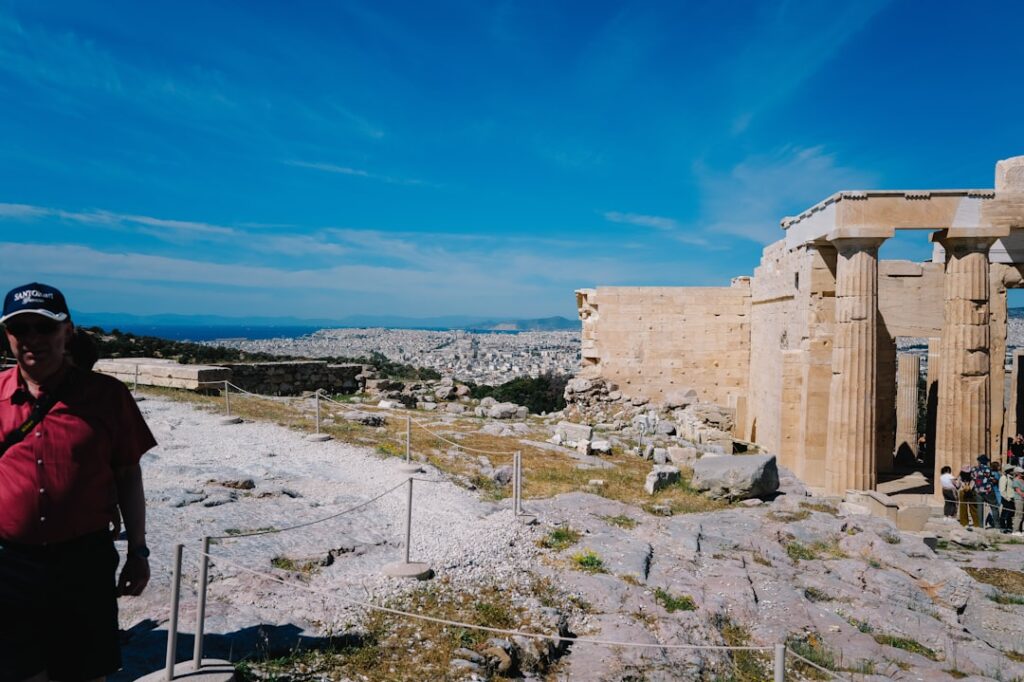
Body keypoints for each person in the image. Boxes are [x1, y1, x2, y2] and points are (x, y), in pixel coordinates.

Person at [0, 283, 156, 682]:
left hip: (84, 560)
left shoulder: (108, 396)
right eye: (20, 328)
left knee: (85, 672)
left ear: (67, 331)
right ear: (7, 335)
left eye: (44, 327)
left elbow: (128, 473)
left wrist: (138, 550)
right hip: (9, 563)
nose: (32, 338)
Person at [973, 455, 999, 529]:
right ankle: (997, 525)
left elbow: (973, 478)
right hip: (988, 490)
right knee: (994, 507)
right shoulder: (988, 469)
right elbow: (992, 479)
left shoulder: (975, 469)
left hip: (978, 490)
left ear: (979, 461)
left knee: (980, 508)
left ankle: (980, 526)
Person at [999, 464, 1017, 532]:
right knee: (1005, 513)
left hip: (1012, 498)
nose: (1013, 471)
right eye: (1012, 470)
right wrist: (1007, 498)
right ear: (1009, 471)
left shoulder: (1012, 478)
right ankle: (1002, 527)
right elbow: (1002, 490)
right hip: (1007, 498)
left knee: (1011, 514)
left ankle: (1009, 526)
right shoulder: (1004, 478)